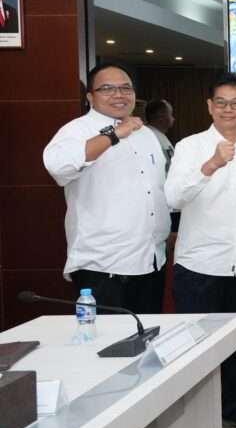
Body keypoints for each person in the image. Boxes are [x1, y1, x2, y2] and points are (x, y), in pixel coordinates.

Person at [164, 72, 236, 428]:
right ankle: (194, 413)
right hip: (200, 264)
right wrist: (210, 165)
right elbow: (173, 198)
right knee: (196, 344)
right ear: (209, 106)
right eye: (221, 102)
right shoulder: (189, 147)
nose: (228, 109)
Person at [42, 63, 170, 313]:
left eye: (126, 88)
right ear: (90, 97)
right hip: (103, 265)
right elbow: (57, 166)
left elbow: (157, 188)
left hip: (151, 260)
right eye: (108, 89)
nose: (119, 94)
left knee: (147, 335)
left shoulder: (145, 134)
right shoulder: (77, 130)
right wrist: (114, 134)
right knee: (104, 337)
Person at [145, 98, 176, 167]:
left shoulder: (159, 134)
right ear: (161, 117)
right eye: (170, 114)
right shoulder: (149, 137)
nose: (173, 119)